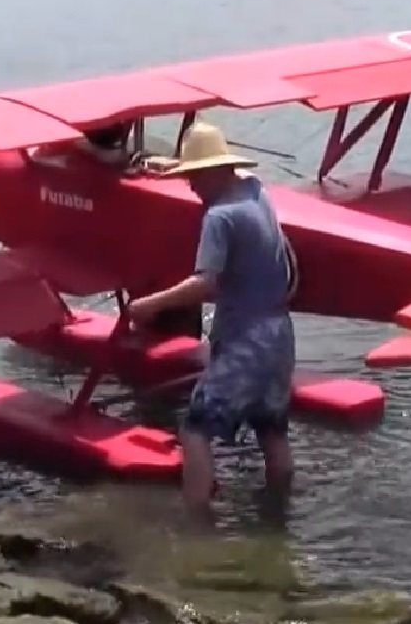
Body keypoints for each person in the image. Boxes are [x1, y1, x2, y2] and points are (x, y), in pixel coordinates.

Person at [126, 121, 297, 515]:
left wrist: (148, 305)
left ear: (213, 172)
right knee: (271, 427)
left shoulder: (219, 218)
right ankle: (280, 511)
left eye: (193, 177)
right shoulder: (256, 191)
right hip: (280, 333)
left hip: (245, 339)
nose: (190, 186)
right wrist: (162, 166)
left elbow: (205, 284)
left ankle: (196, 522)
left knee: (195, 429)